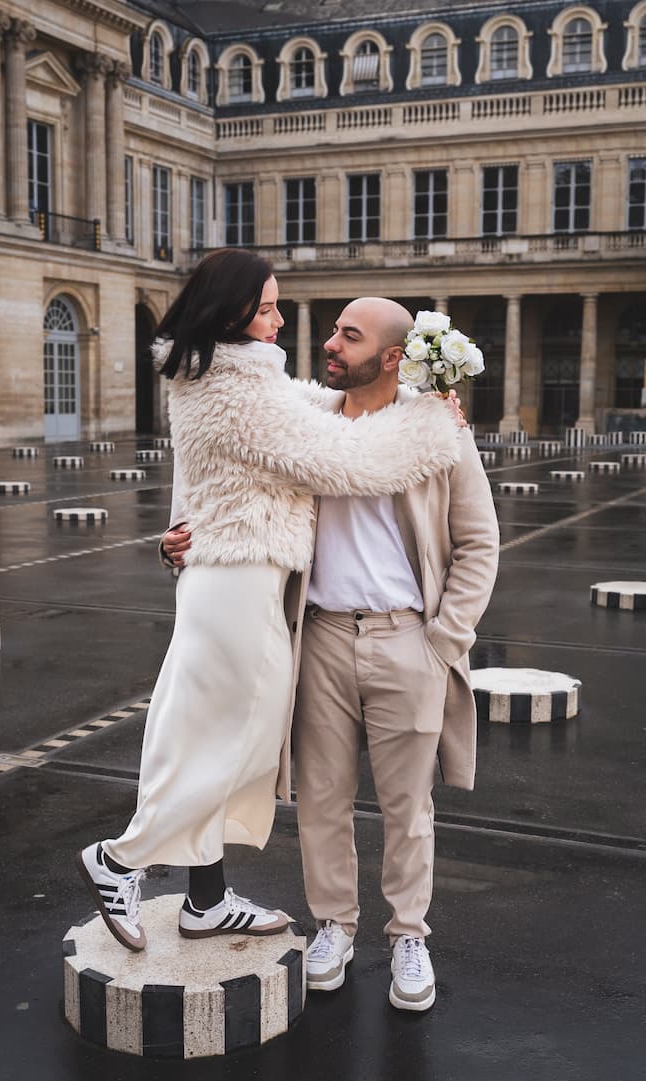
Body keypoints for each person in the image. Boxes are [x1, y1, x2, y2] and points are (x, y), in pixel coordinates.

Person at [77, 251, 462, 952]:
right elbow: (349, 460)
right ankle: (121, 858)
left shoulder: (224, 375)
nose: (281, 319)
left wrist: (413, 402)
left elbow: (303, 408)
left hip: (235, 578)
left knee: (215, 738)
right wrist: (436, 423)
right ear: (231, 315)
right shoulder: (236, 390)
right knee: (235, 743)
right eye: (266, 308)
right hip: (240, 582)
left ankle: (205, 900)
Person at [163, 294, 499, 1011]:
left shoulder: (436, 430)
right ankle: (334, 927)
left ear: (390, 357)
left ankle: (408, 935)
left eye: (350, 336)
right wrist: (178, 541)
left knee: (408, 807)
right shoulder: (304, 424)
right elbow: (228, 491)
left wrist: (444, 641)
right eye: (334, 331)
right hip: (318, 636)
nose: (330, 345)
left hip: (407, 639)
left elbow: (479, 543)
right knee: (320, 801)